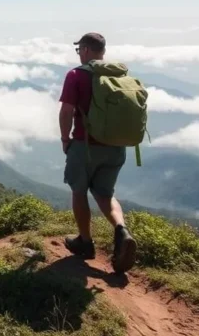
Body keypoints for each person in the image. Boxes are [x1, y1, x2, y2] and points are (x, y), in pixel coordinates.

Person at [59, 32, 138, 273]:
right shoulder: (119, 75)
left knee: (79, 190)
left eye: (79, 50)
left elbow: (66, 112)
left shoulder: (76, 75)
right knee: (105, 194)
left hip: (85, 146)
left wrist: (65, 139)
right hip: (116, 146)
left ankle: (85, 242)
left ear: (84, 49)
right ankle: (121, 230)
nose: (79, 54)